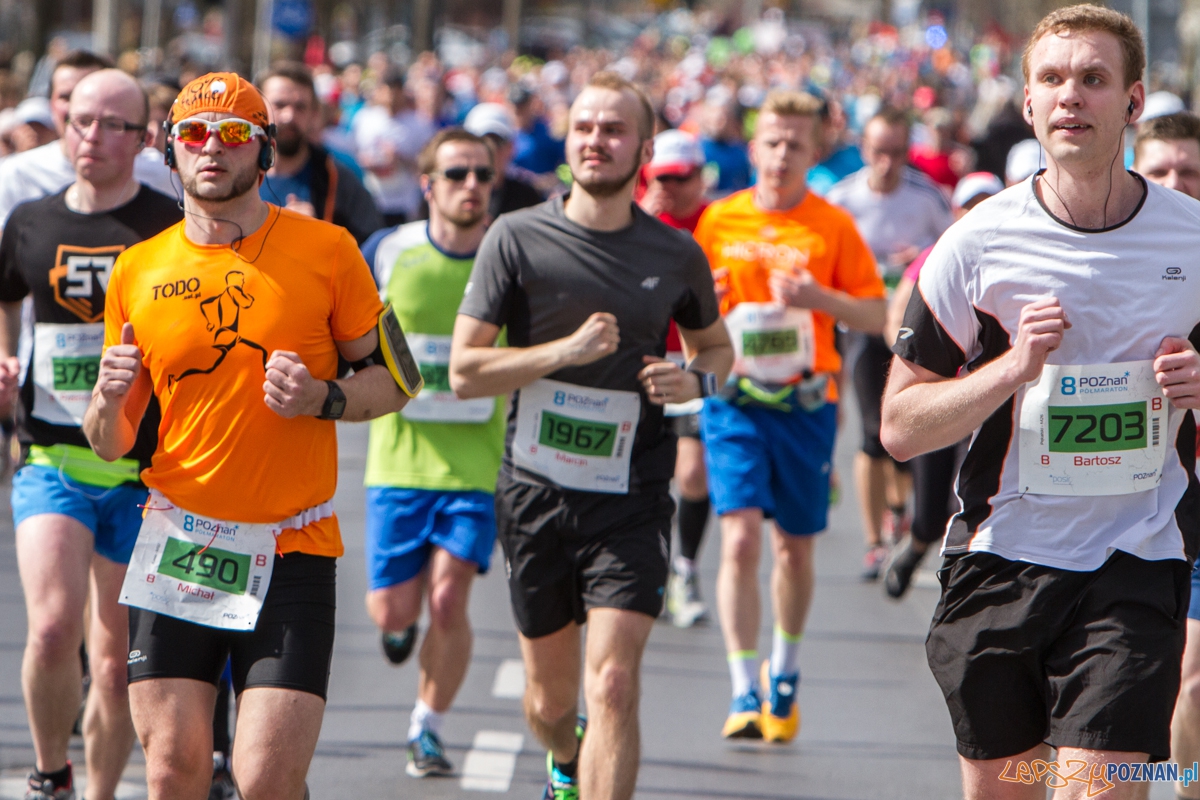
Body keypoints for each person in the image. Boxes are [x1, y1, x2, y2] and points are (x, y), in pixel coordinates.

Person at [881, 7, 1200, 796]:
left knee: (1096, 786)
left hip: (1136, 559)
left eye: (1093, 79)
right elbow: (899, 426)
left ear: (1133, 102)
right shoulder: (976, 243)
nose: (1071, 96)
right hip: (1001, 560)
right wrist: (1011, 369)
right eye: (1052, 79)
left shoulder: (1192, 240)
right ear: (1028, 104)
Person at [81, 72, 408, 800]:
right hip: (179, 542)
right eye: (195, 134)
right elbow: (109, 442)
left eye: (234, 135)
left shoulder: (329, 250)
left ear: (264, 153)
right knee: (173, 772)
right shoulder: (137, 269)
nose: (212, 148)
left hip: (292, 545)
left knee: (264, 779)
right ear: (169, 150)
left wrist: (323, 397)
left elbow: (397, 380)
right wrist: (105, 398)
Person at [449, 71, 732, 800]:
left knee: (612, 683)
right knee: (550, 705)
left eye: (613, 129)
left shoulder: (674, 253)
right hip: (535, 493)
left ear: (643, 150)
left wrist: (694, 383)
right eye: (583, 127)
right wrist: (563, 353)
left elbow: (717, 352)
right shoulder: (516, 237)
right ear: (567, 140)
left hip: (632, 495)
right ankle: (565, 757)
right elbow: (465, 371)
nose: (595, 140)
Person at [0, 68, 179, 800]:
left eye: (113, 125)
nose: (92, 137)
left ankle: (100, 793)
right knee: (50, 632)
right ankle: (51, 773)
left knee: (112, 663)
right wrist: (6, 355)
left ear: (144, 139)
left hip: (142, 471)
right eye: (80, 120)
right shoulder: (30, 221)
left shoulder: (169, 226)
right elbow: (7, 297)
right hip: (52, 456)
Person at [694, 90, 886, 743]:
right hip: (735, 401)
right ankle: (742, 686)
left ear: (814, 152)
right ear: (753, 148)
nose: (781, 155)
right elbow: (687, 320)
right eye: (772, 142)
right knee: (741, 538)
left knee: (793, 550)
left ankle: (785, 670)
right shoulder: (719, 220)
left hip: (805, 405)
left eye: (795, 145)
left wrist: (817, 297)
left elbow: (876, 314)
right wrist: (704, 304)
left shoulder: (831, 226)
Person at [358, 128, 503, 778]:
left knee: (448, 600)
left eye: (482, 174)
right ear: (427, 185)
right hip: (398, 461)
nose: (471, 185)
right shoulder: (389, 250)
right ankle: (398, 626)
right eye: (456, 174)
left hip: (476, 463)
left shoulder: (508, 255)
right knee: (393, 609)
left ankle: (428, 727)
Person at [827, 107, 953, 580]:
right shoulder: (842, 198)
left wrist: (918, 257)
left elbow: (953, 248)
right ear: (863, 149)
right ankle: (874, 542)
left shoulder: (926, 196)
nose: (887, 163)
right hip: (863, 324)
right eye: (879, 152)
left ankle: (898, 509)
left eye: (898, 153)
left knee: (904, 431)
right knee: (870, 433)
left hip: (913, 327)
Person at [879, 171, 1005, 599]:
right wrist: (921, 361)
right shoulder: (940, 254)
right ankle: (915, 546)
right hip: (939, 397)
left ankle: (967, 586)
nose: (977, 213)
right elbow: (899, 317)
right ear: (955, 211)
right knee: (932, 511)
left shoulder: (1015, 255)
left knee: (976, 500)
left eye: (987, 203)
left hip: (990, 400)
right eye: (970, 205)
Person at [1129, 109, 1200, 800]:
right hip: (1138, 517)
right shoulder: (1107, 260)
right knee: (1179, 680)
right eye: (1160, 171)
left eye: (1191, 171)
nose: (1177, 182)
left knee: (1193, 680)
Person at [637, 128, 712, 628]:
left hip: (692, 358)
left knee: (691, 472)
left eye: (681, 178)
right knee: (644, 475)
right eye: (661, 178)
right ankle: (652, 569)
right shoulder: (634, 218)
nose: (671, 188)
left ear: (700, 178)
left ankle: (686, 569)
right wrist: (643, 216)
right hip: (642, 358)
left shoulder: (714, 220)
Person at [0, 51, 175, 228]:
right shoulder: (16, 174)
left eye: (91, 93)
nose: (77, 105)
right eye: (65, 96)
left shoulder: (159, 173)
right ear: (50, 104)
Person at [257, 62, 382, 244]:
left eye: (300, 107)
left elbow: (369, 247)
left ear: (314, 114)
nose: (289, 116)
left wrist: (319, 234)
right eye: (279, 104)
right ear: (258, 108)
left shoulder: (338, 179)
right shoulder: (237, 171)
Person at [354, 72, 436, 226]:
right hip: (373, 198)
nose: (391, 96)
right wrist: (368, 162)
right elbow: (353, 154)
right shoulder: (364, 119)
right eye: (387, 90)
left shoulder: (419, 123)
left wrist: (400, 159)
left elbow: (428, 165)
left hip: (405, 202)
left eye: (395, 90)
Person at [463, 102, 544, 219]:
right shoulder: (454, 191)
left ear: (511, 147)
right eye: (483, 143)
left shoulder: (527, 197)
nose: (492, 150)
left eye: (497, 142)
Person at [699, 90, 752, 197]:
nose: (717, 119)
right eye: (713, 113)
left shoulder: (742, 152)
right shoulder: (697, 149)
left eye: (723, 115)